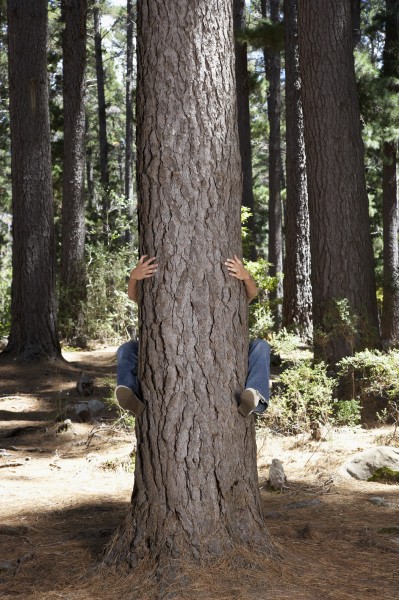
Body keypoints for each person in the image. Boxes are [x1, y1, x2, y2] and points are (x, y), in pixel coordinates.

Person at [115, 255, 271, 418]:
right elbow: (136, 297)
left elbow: (250, 294)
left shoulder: (227, 301)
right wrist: (133, 277)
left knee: (262, 346)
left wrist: (246, 276)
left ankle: (255, 398)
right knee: (126, 349)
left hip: (228, 352)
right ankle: (132, 395)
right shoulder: (169, 301)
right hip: (170, 351)